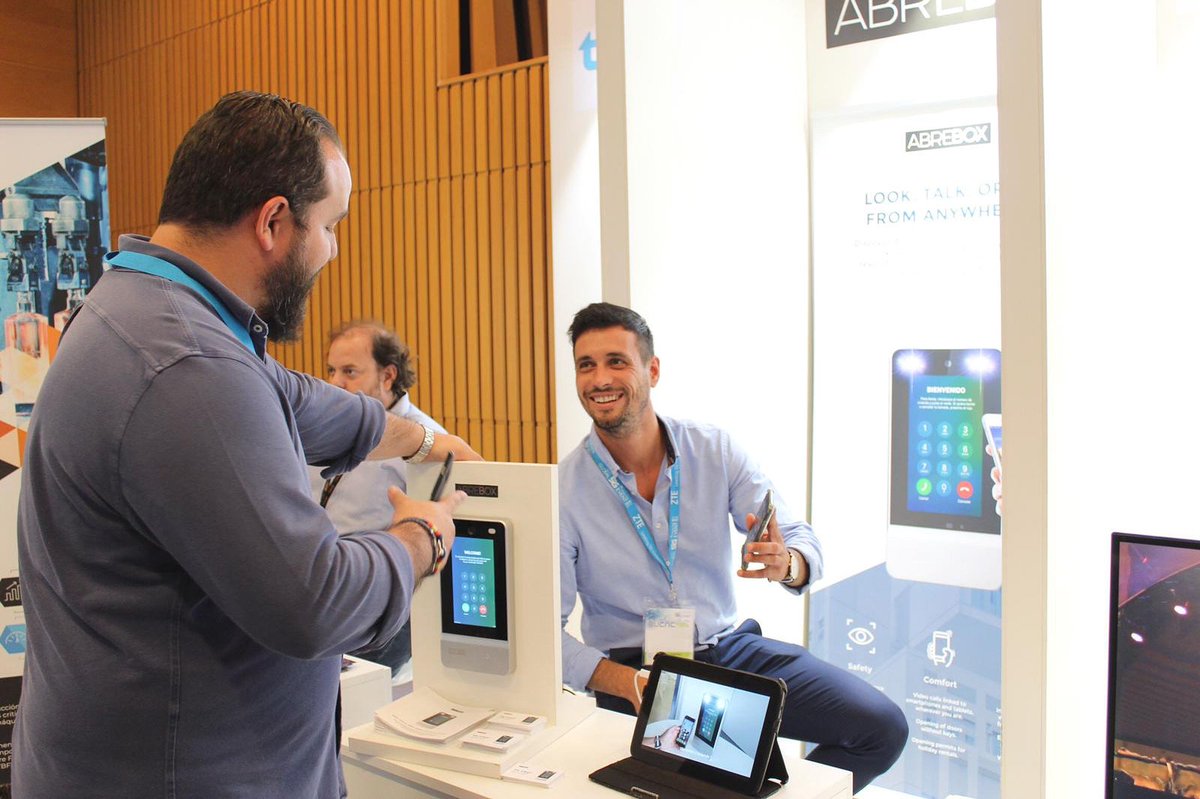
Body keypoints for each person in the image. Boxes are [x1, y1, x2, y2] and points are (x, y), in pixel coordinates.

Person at [14, 91, 480, 797]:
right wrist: (423, 538)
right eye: (330, 226)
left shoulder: (140, 308)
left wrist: (418, 438)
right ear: (272, 221)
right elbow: (315, 601)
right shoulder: (187, 365)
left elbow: (290, 397)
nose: (333, 250)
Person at [559, 302, 908, 793]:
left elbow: (799, 537)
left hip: (727, 652)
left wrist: (786, 562)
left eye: (616, 361)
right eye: (586, 365)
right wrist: (627, 683)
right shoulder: (564, 489)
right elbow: (545, 636)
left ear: (652, 370)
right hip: (636, 673)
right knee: (692, 786)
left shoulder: (714, 450)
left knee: (881, 728)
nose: (600, 379)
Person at [312, 320, 448, 674]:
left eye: (350, 372)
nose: (335, 383)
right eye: (331, 370)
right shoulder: (328, 426)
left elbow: (441, 537)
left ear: (387, 376)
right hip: (323, 583)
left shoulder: (428, 441)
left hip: (384, 597)